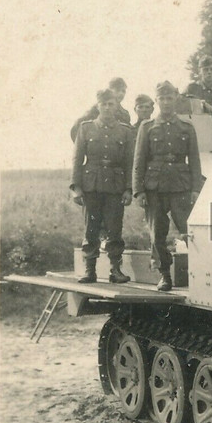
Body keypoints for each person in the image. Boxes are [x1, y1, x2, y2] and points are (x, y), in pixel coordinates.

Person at [133, 81, 203, 291]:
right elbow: (139, 161)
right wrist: (139, 191)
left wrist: (195, 188)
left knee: (190, 231)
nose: (166, 102)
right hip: (154, 187)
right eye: (162, 99)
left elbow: (195, 160)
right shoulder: (146, 127)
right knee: (157, 234)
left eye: (170, 98)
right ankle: (164, 275)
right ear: (157, 101)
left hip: (181, 185)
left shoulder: (187, 128)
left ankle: (203, 273)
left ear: (176, 99)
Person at [70, 88, 135, 284]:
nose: (107, 108)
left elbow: (129, 162)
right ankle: (90, 270)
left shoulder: (125, 130)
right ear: (98, 106)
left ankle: (115, 270)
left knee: (115, 229)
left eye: (111, 104)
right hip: (91, 185)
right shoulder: (86, 128)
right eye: (104, 104)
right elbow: (77, 159)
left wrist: (128, 189)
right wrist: (76, 187)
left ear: (117, 106)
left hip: (115, 185)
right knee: (91, 229)